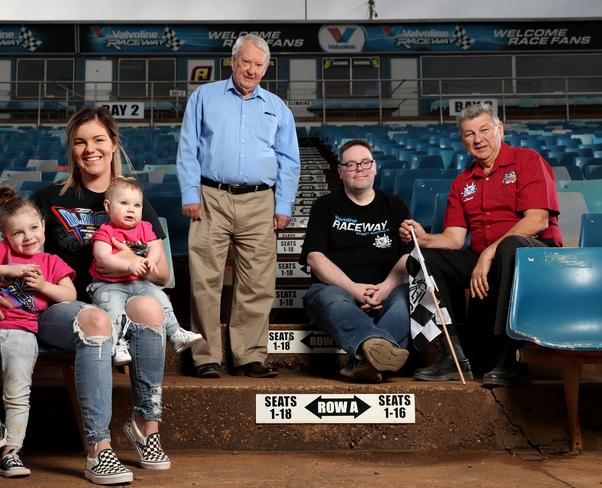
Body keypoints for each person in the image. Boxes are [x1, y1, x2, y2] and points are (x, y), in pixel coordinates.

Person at [0, 107, 171, 485]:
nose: (89, 149)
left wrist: (130, 260)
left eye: (98, 140)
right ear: (71, 149)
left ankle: (147, 427)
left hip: (120, 301)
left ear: (114, 144)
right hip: (57, 307)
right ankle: (98, 450)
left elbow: (161, 274)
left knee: (148, 306)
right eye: (80, 141)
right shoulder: (49, 197)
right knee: (94, 319)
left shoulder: (135, 201)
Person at [399, 103, 563, 386]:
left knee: (511, 246)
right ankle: (453, 354)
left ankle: (509, 359)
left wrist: (490, 251)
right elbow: (454, 238)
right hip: (487, 261)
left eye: (484, 130)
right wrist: (423, 238)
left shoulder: (527, 160)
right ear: (462, 141)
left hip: (536, 258)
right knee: (422, 259)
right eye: (469, 134)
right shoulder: (463, 182)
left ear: (500, 129)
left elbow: (537, 221)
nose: (478, 139)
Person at [177, 34, 300, 379]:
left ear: (266, 68)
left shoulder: (277, 107)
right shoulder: (205, 96)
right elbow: (188, 147)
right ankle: (205, 357)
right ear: (233, 61)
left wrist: (284, 204)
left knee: (258, 281)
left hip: (261, 201)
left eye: (259, 64)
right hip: (210, 196)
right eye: (246, 62)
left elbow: (290, 160)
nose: (251, 69)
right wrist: (189, 194)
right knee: (205, 279)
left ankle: (248, 356)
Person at [0, 184, 76, 478]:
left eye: (34, 228)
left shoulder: (51, 261)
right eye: (18, 233)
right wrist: (9, 271)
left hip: (23, 332)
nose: (28, 237)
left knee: (17, 391)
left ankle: (12, 453)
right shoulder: (0, 253)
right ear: (5, 237)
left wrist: (43, 287)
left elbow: (69, 296)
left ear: (43, 226)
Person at [300, 139, 411, 383]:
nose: (359, 169)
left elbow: (407, 256)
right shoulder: (324, 206)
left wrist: (384, 289)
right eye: (350, 164)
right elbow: (314, 257)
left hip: (388, 288)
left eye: (364, 162)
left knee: (409, 300)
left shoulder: (395, 205)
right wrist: (354, 289)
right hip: (337, 288)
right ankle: (375, 351)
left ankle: (364, 361)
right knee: (330, 299)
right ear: (340, 171)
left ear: (375, 167)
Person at [88, 176, 202, 366]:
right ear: (108, 207)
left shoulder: (145, 227)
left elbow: (156, 248)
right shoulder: (105, 231)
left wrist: (150, 260)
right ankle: (117, 345)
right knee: (113, 310)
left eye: (137, 205)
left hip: (138, 283)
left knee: (160, 298)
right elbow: (102, 257)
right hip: (108, 286)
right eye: (124, 203)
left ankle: (175, 332)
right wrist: (130, 264)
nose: (131, 209)